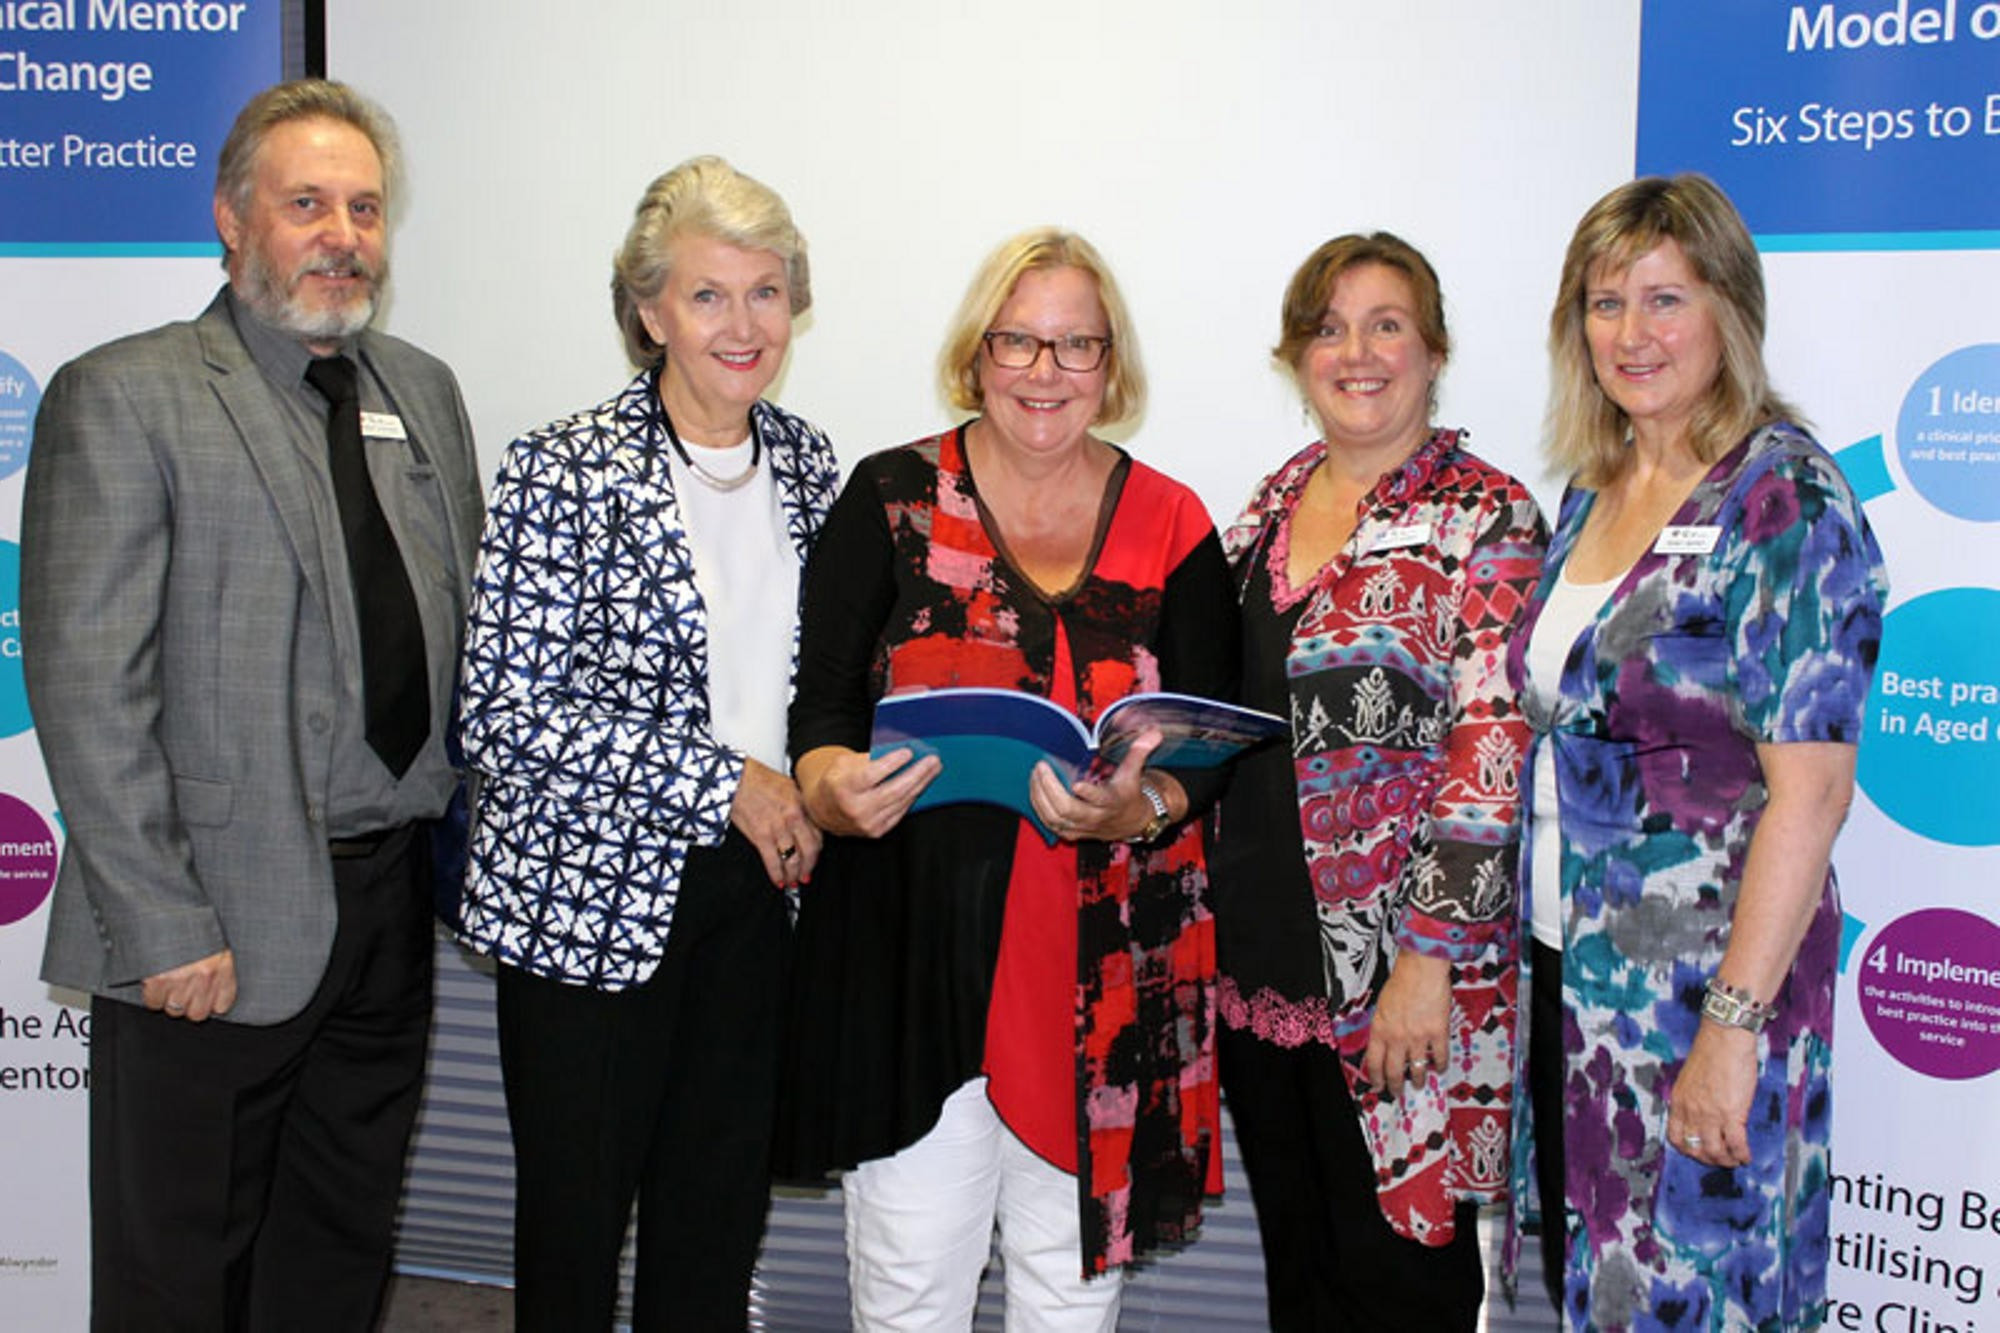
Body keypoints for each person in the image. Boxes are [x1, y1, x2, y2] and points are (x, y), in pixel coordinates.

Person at [22, 80, 482, 1331]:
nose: (343, 234)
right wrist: (162, 920)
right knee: (179, 1270)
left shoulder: (422, 390)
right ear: (231, 221)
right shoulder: (126, 393)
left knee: (337, 1246)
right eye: (306, 204)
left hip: (386, 905)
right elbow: (86, 684)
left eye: (366, 208)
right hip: (209, 920)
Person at [780, 228, 1236, 1329]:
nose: (1045, 371)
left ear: (1109, 365)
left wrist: (1149, 802)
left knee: (1068, 1297)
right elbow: (822, 709)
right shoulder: (889, 498)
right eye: (1019, 341)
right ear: (976, 353)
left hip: (1108, 975)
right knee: (906, 1285)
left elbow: (1215, 744)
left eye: (1075, 345)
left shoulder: (1172, 522)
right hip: (916, 959)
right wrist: (829, 781)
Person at [453, 156, 837, 1331]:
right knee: (572, 1235)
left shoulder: (816, 465)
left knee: (715, 1225)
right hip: (585, 908)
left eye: (766, 293)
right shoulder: (562, 466)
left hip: (758, 902)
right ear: (649, 309)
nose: (742, 324)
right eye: (709, 295)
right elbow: (501, 712)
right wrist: (720, 782)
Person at [1512, 174, 1888, 1331]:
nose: (1630, 333)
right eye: (1603, 301)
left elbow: (1810, 796)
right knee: (1600, 1297)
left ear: (1729, 307)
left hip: (1702, 1000)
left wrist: (1728, 1032)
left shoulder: (1781, 496)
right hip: (1574, 985)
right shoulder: (1593, 489)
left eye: (1663, 300)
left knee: (1695, 1303)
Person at [1208, 233, 1546, 1331]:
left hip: (1401, 987)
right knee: (1301, 1280)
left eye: (1384, 323)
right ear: (1295, 358)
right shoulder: (1269, 503)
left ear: (1433, 349)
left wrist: (1424, 963)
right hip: (1260, 969)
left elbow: (1489, 753)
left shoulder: (1483, 517)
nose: (1354, 351)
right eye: (1326, 327)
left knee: (1402, 1281)